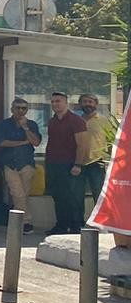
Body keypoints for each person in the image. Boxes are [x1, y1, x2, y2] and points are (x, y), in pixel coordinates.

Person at [45, 91, 90, 236]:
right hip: (53, 163)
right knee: (58, 195)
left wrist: (78, 165)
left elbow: (82, 145)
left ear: (66, 103)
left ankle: (76, 225)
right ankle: (61, 225)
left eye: (58, 101)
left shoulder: (76, 120)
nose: (55, 104)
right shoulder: (52, 121)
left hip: (70, 164)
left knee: (73, 196)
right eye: (52, 102)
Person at [0, 98, 41, 233]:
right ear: (12, 109)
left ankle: (16, 221)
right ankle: (26, 221)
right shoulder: (4, 124)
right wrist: (23, 143)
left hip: (26, 164)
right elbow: (2, 142)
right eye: (18, 108)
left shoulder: (32, 124)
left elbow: (36, 142)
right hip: (10, 164)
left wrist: (25, 128)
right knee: (17, 193)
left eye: (24, 108)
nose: (20, 111)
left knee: (24, 194)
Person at [80, 93, 119, 204]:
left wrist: (112, 163)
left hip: (97, 163)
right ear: (80, 104)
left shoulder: (104, 121)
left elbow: (112, 142)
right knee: (77, 196)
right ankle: (78, 221)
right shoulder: (76, 121)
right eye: (84, 101)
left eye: (90, 102)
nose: (87, 104)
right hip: (79, 163)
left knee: (99, 196)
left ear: (95, 104)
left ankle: (100, 220)